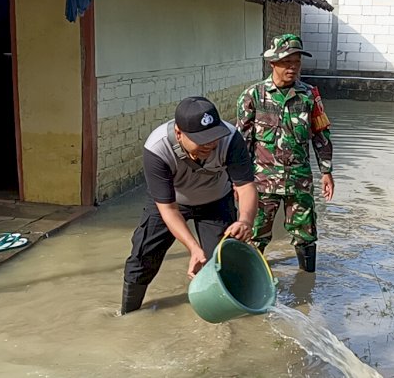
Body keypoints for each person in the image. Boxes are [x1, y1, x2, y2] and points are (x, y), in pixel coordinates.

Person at [121, 96, 258, 314]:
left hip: (216, 201)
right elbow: (168, 209)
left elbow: (245, 187)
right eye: (201, 139)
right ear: (178, 133)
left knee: (222, 262)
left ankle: (225, 321)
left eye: (213, 137)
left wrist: (245, 220)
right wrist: (193, 248)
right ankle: (128, 314)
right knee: (143, 257)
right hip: (172, 202)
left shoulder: (231, 139)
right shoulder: (157, 148)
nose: (210, 144)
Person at [236, 33, 334, 273]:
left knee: (306, 234)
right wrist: (237, 183)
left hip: (299, 180)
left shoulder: (310, 95)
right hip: (261, 182)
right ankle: (251, 280)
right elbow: (241, 144)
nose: (293, 67)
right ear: (273, 63)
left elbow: (321, 135)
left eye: (297, 62)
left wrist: (326, 172)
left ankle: (307, 286)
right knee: (255, 234)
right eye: (287, 62)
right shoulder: (254, 96)